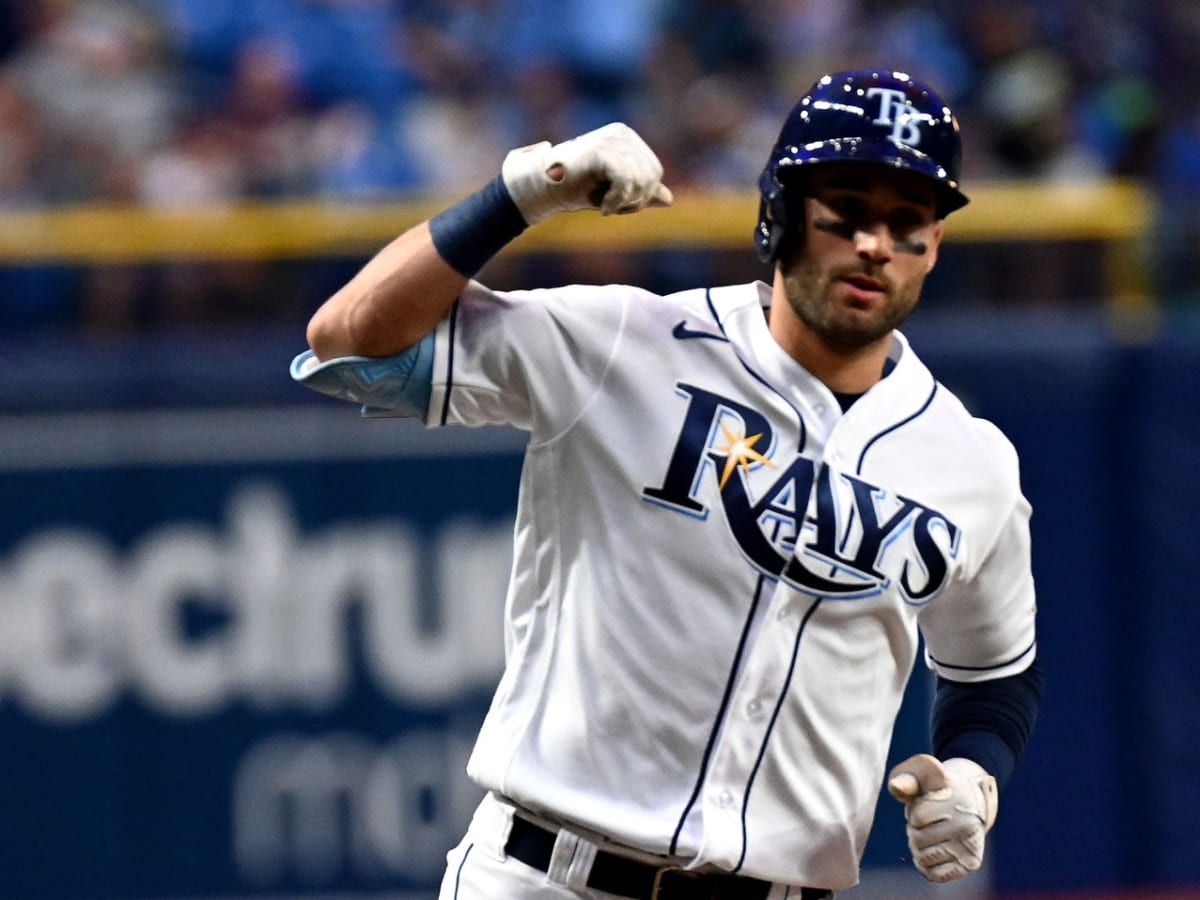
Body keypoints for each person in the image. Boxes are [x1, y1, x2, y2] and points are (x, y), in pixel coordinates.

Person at [292, 69, 1043, 899]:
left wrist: (975, 774)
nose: (875, 244)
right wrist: (523, 193)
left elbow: (993, 669)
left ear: (934, 248)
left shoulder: (970, 462)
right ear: (783, 214)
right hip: (548, 874)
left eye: (909, 223)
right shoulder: (629, 340)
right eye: (849, 211)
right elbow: (348, 343)